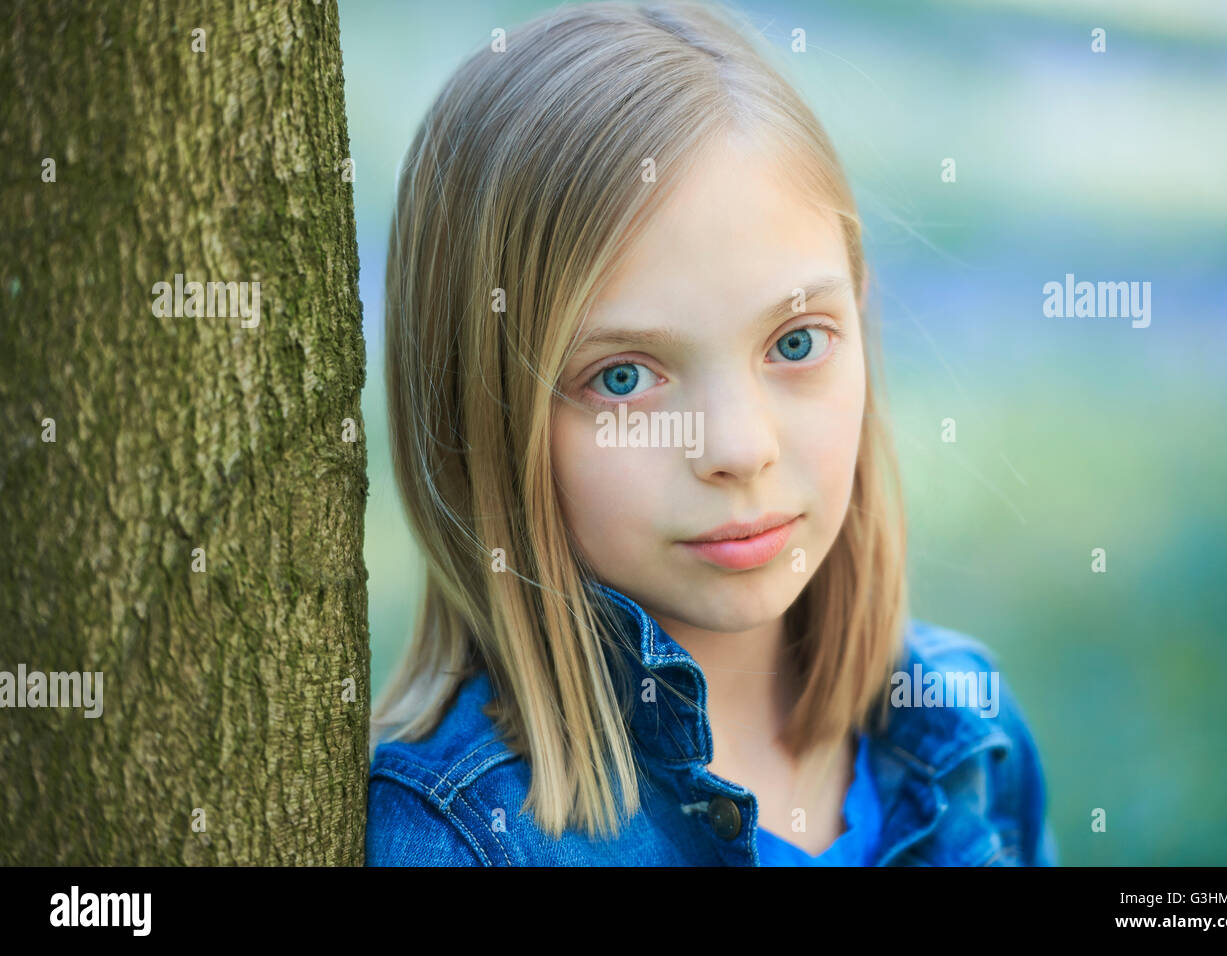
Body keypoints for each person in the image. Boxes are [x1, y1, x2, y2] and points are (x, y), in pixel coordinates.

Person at [366, 0, 1058, 866]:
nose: (738, 448)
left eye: (795, 343)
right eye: (623, 378)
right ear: (483, 409)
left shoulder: (967, 731)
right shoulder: (457, 837)